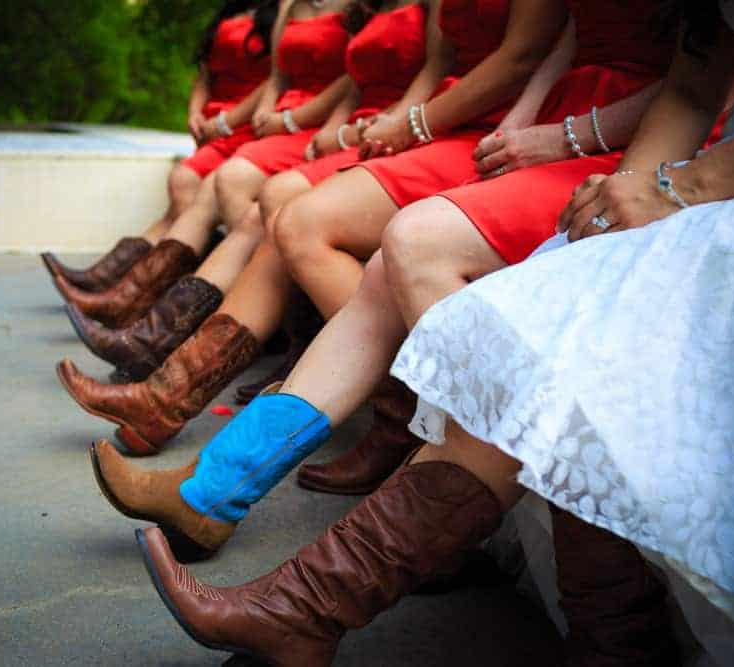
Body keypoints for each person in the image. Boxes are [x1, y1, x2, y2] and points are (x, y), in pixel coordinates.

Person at [141, 1, 734, 664]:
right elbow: (691, 86)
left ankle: (300, 586)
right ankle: (255, 531)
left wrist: (665, 183)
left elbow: (526, 56)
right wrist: (633, 196)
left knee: (473, 293)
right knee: (332, 233)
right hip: (669, 159)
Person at [84, 0, 679, 558]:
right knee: (347, 251)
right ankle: (209, 486)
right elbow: (560, 47)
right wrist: (524, 129)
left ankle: (396, 474)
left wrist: (559, 137)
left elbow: (692, 81)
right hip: (534, 123)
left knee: (369, 235)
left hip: (644, 145)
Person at [57, 0, 574, 456]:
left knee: (292, 213)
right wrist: (402, 122)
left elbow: (525, 55)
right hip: (437, 122)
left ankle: (392, 409)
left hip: (493, 127)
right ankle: (164, 390)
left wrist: (410, 124)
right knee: (278, 213)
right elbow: (438, 66)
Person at [62, 1, 436, 385]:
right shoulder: (335, 8)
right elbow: (331, 80)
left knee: (261, 202)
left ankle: (174, 342)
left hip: (390, 129)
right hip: (337, 127)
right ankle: (156, 345)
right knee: (234, 201)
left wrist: (309, 123)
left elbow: (420, 74)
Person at [53, 0, 351, 331]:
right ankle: (135, 309)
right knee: (195, 185)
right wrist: (256, 115)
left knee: (222, 187)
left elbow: (346, 77)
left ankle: (151, 313)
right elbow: (268, 77)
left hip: (317, 126)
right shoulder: (281, 8)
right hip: (273, 121)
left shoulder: (351, 9)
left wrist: (265, 121)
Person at [40, 0, 277, 293]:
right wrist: (195, 114)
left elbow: (275, 83)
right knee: (182, 185)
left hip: (250, 125)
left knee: (188, 198)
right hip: (214, 126)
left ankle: (135, 291)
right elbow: (204, 75)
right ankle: (121, 286)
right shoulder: (229, 13)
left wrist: (228, 121)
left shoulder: (280, 14)